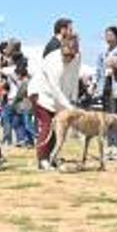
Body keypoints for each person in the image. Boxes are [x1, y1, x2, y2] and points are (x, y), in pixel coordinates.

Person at [32, 33, 82, 170]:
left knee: (58, 129)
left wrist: (74, 100)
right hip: (40, 94)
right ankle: (42, 160)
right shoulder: (52, 60)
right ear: (61, 49)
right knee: (47, 126)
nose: (69, 59)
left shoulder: (77, 58)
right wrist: (69, 107)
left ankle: (51, 157)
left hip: (59, 99)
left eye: (72, 55)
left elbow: (74, 79)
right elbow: (54, 88)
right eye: (66, 55)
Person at [96, 26, 117, 157]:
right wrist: (98, 88)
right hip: (106, 88)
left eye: (110, 34)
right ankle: (110, 144)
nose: (108, 37)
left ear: (116, 36)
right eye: (106, 34)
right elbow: (99, 72)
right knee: (106, 118)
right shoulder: (102, 53)